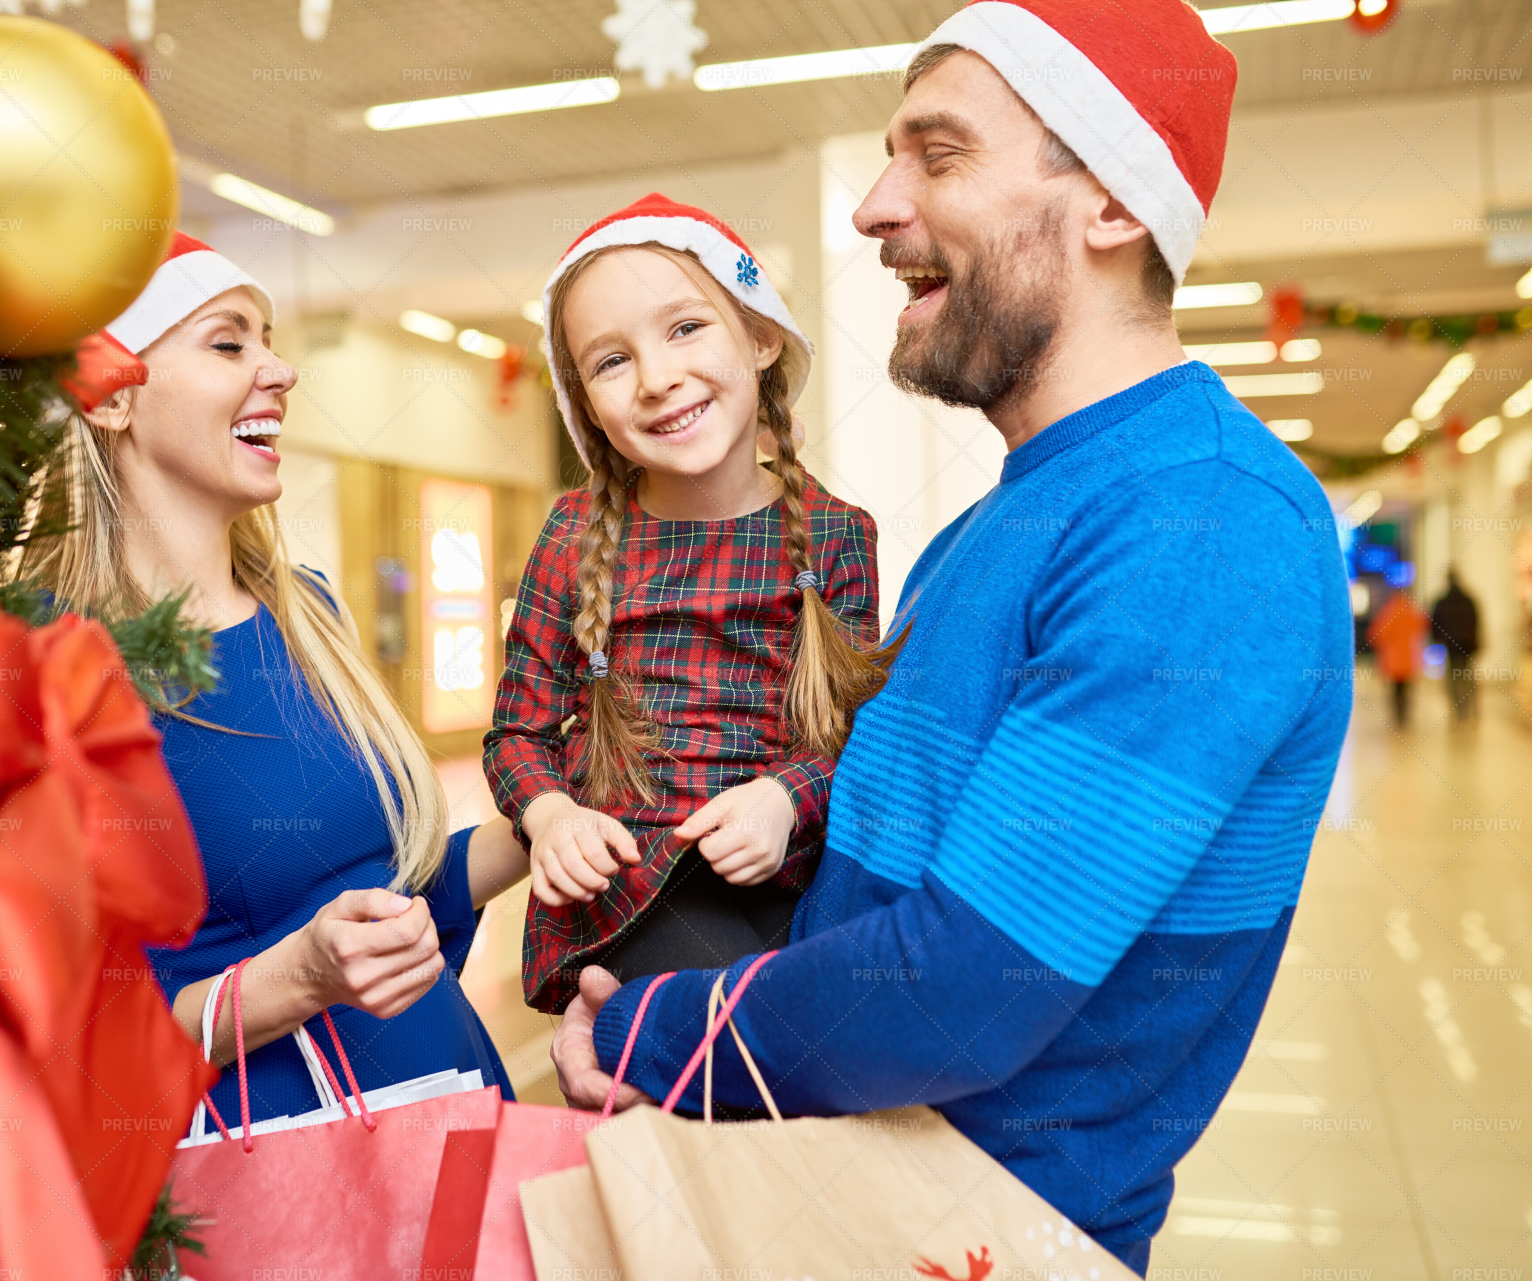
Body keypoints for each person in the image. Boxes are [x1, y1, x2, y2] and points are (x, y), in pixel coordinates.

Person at [548, 0, 1354, 1271]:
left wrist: (653, 1029)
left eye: (938, 154)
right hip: (838, 1176)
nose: (873, 204)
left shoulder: (1200, 520)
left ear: (1111, 203)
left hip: (972, 1233)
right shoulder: (997, 525)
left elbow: (963, 989)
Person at [23, 234, 529, 1133]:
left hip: (451, 1119)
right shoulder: (48, 661)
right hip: (273, 1185)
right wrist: (297, 978)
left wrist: (537, 828)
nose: (281, 369)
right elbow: (74, 1040)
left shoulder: (307, 614)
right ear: (113, 394)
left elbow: (380, 893)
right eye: (230, 343)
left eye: (270, 339)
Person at [483, 195, 884, 1014]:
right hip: (623, 903)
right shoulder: (571, 535)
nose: (659, 378)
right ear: (585, 403)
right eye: (610, 361)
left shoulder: (839, 535)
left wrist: (783, 798)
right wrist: (553, 815)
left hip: (783, 894)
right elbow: (517, 732)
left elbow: (852, 740)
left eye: (686, 328)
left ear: (762, 336)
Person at [1369, 587, 1428, 727]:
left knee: (1395, 690)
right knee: (1406, 689)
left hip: (1392, 658)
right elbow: (1423, 626)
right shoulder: (1411, 612)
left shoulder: (1388, 612)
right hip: (1409, 658)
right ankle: (1405, 714)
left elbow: (1376, 634)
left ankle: (1397, 715)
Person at [1431, 568, 1481, 720]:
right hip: (1467, 645)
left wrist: (1438, 639)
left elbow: (1435, 624)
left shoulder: (1442, 601)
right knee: (1467, 676)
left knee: (1453, 678)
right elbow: (1476, 622)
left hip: (1451, 646)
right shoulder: (1468, 600)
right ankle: (1471, 708)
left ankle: (1458, 710)